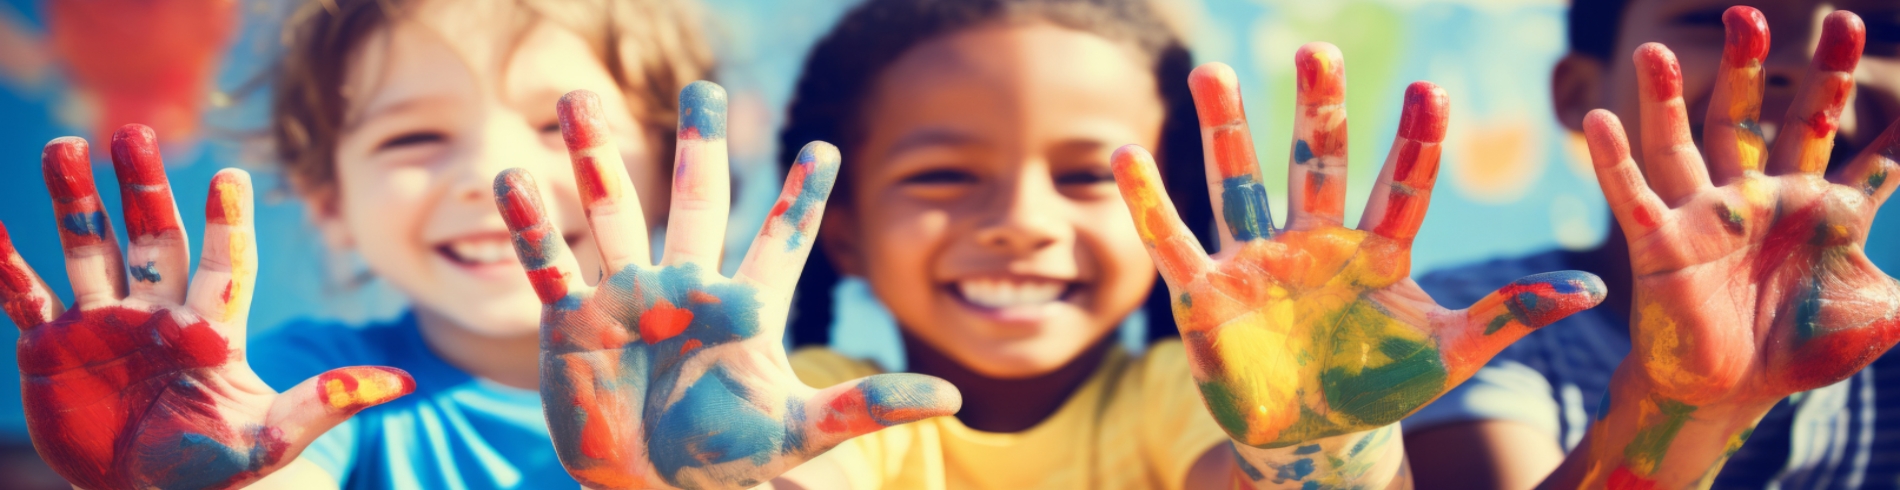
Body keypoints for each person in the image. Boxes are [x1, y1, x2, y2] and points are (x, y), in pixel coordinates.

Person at [490, 0, 1605, 488]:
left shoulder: (1189, 399)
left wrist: (1316, 454)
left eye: (1087, 176)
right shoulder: (819, 407)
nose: (1019, 219)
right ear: (849, 239)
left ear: (1171, 217)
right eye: (940, 176)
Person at [0, 0, 713, 488]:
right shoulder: (300, 385)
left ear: (675, 165)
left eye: (561, 125)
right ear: (331, 202)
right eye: (414, 137)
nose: (492, 176)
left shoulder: (733, 387)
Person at [1402, 2, 1900, 488]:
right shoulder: (1486, 322)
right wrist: (1687, 412)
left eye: (1884, 31)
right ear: (1579, 92)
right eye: (1714, 20)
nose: (1801, 61)